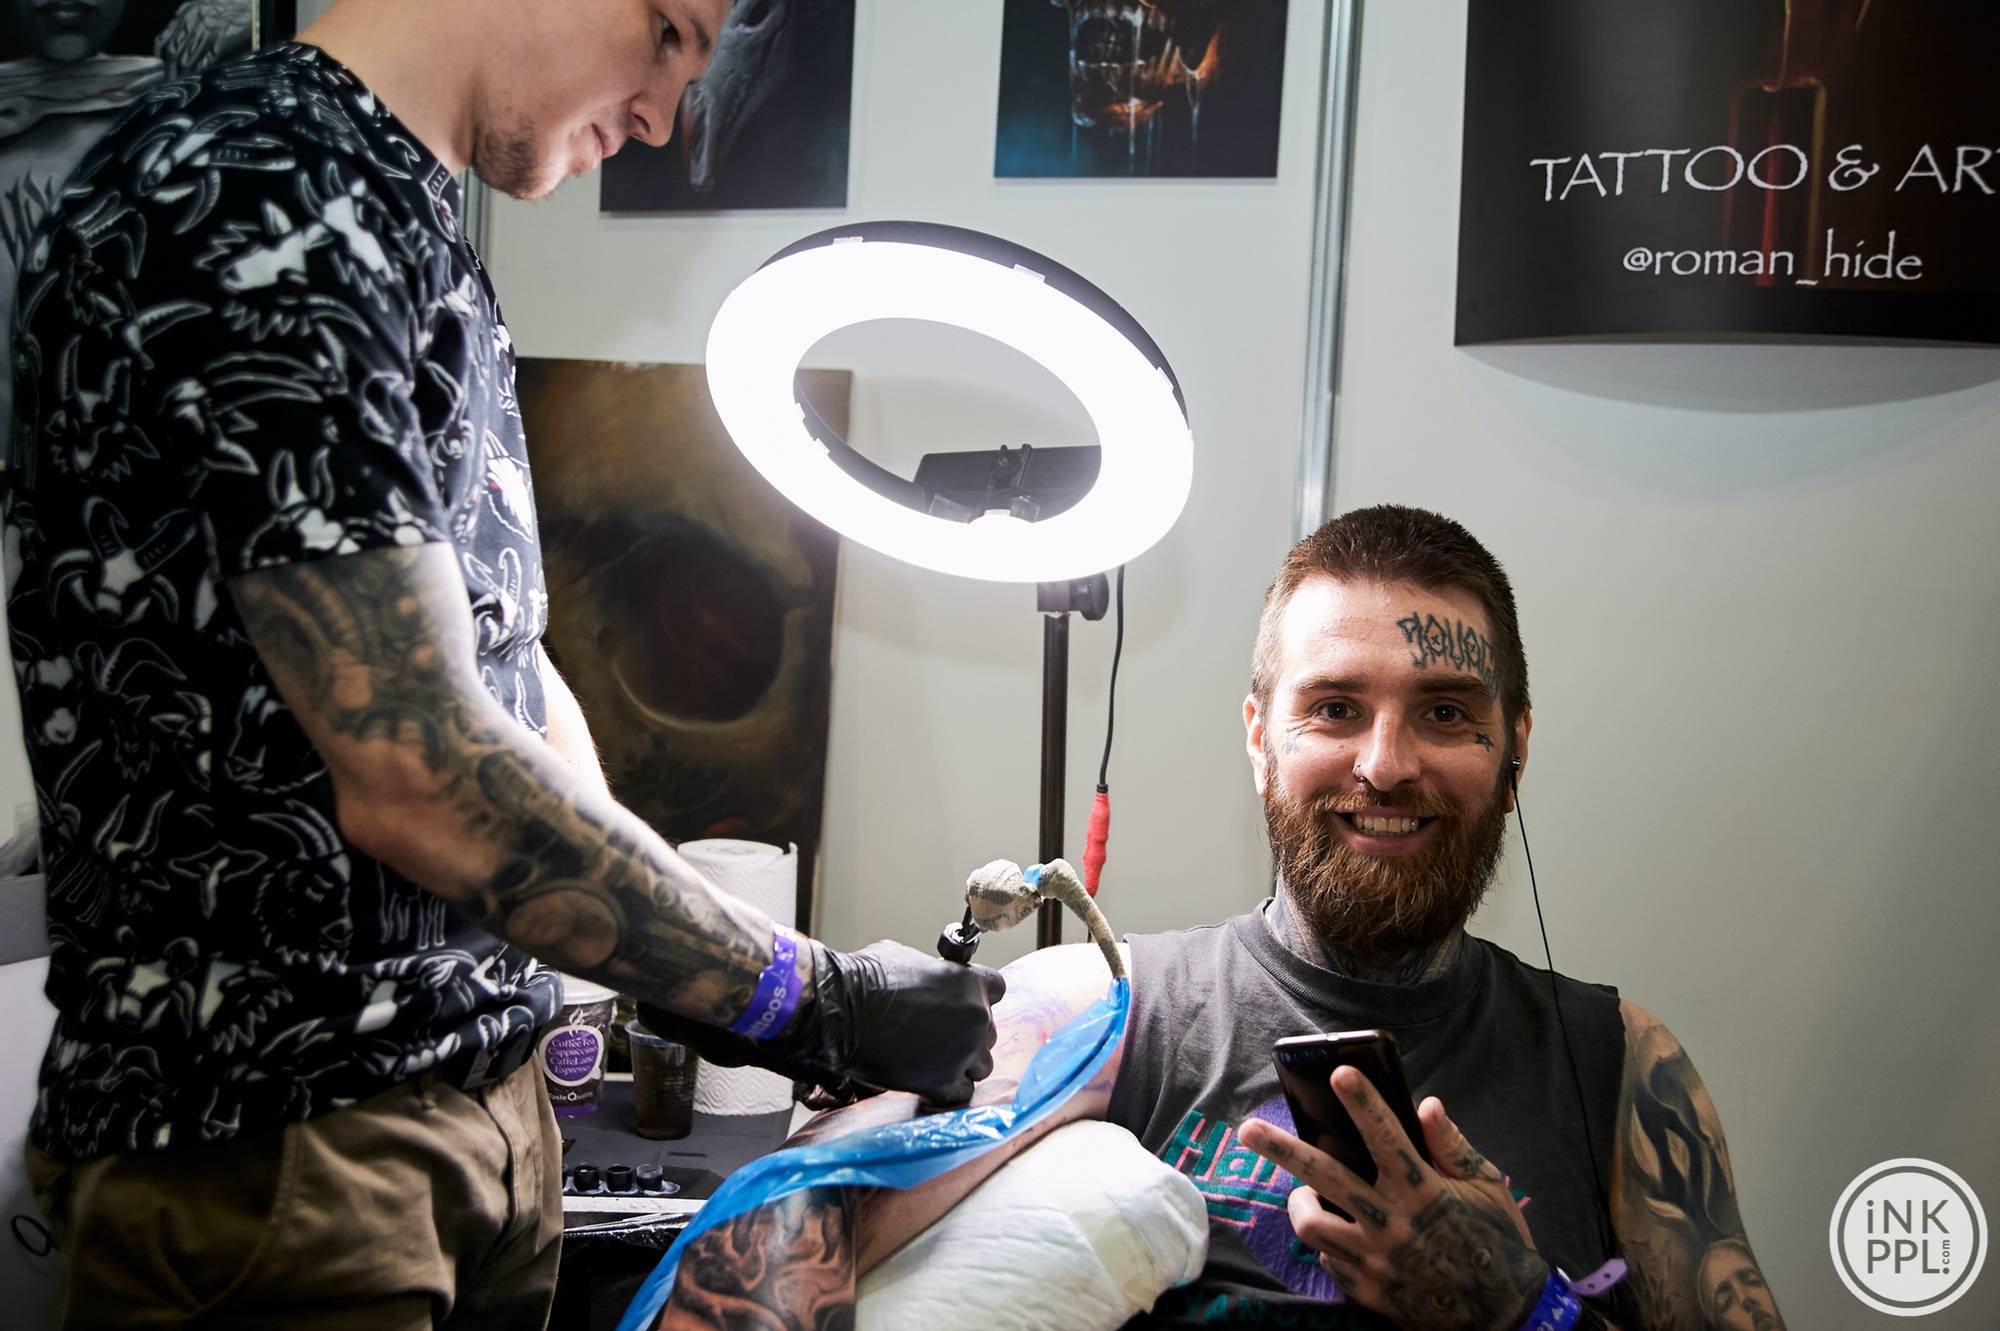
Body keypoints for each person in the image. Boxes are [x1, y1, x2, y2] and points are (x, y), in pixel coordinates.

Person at [3, 1, 1004, 1325]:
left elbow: (507, 677)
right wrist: (807, 996)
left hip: (474, 1100)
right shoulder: (256, 193)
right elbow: (422, 768)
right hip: (284, 1138)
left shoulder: (406, 224)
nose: (667, 119)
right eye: (667, 34)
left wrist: (689, 971)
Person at [648, 505, 1786, 1331]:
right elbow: (787, 1221)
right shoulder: (1110, 1007)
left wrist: (1521, 1309)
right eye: (1333, 707)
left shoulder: (1618, 1065)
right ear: (1257, 737)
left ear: (1515, 744)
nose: (1385, 764)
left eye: (1444, 712)